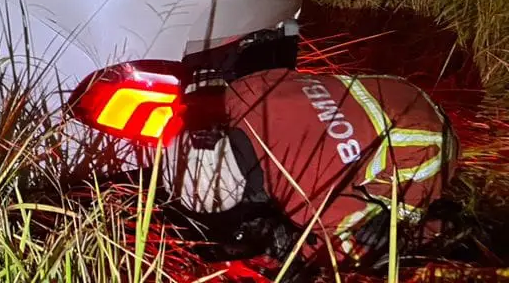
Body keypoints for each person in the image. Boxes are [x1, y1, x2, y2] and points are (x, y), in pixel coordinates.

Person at [164, 68, 460, 271]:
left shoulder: (307, 194)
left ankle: (446, 233)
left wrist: (283, 246)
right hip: (397, 89)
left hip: (428, 144)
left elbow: (342, 251)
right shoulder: (244, 93)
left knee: (385, 239)